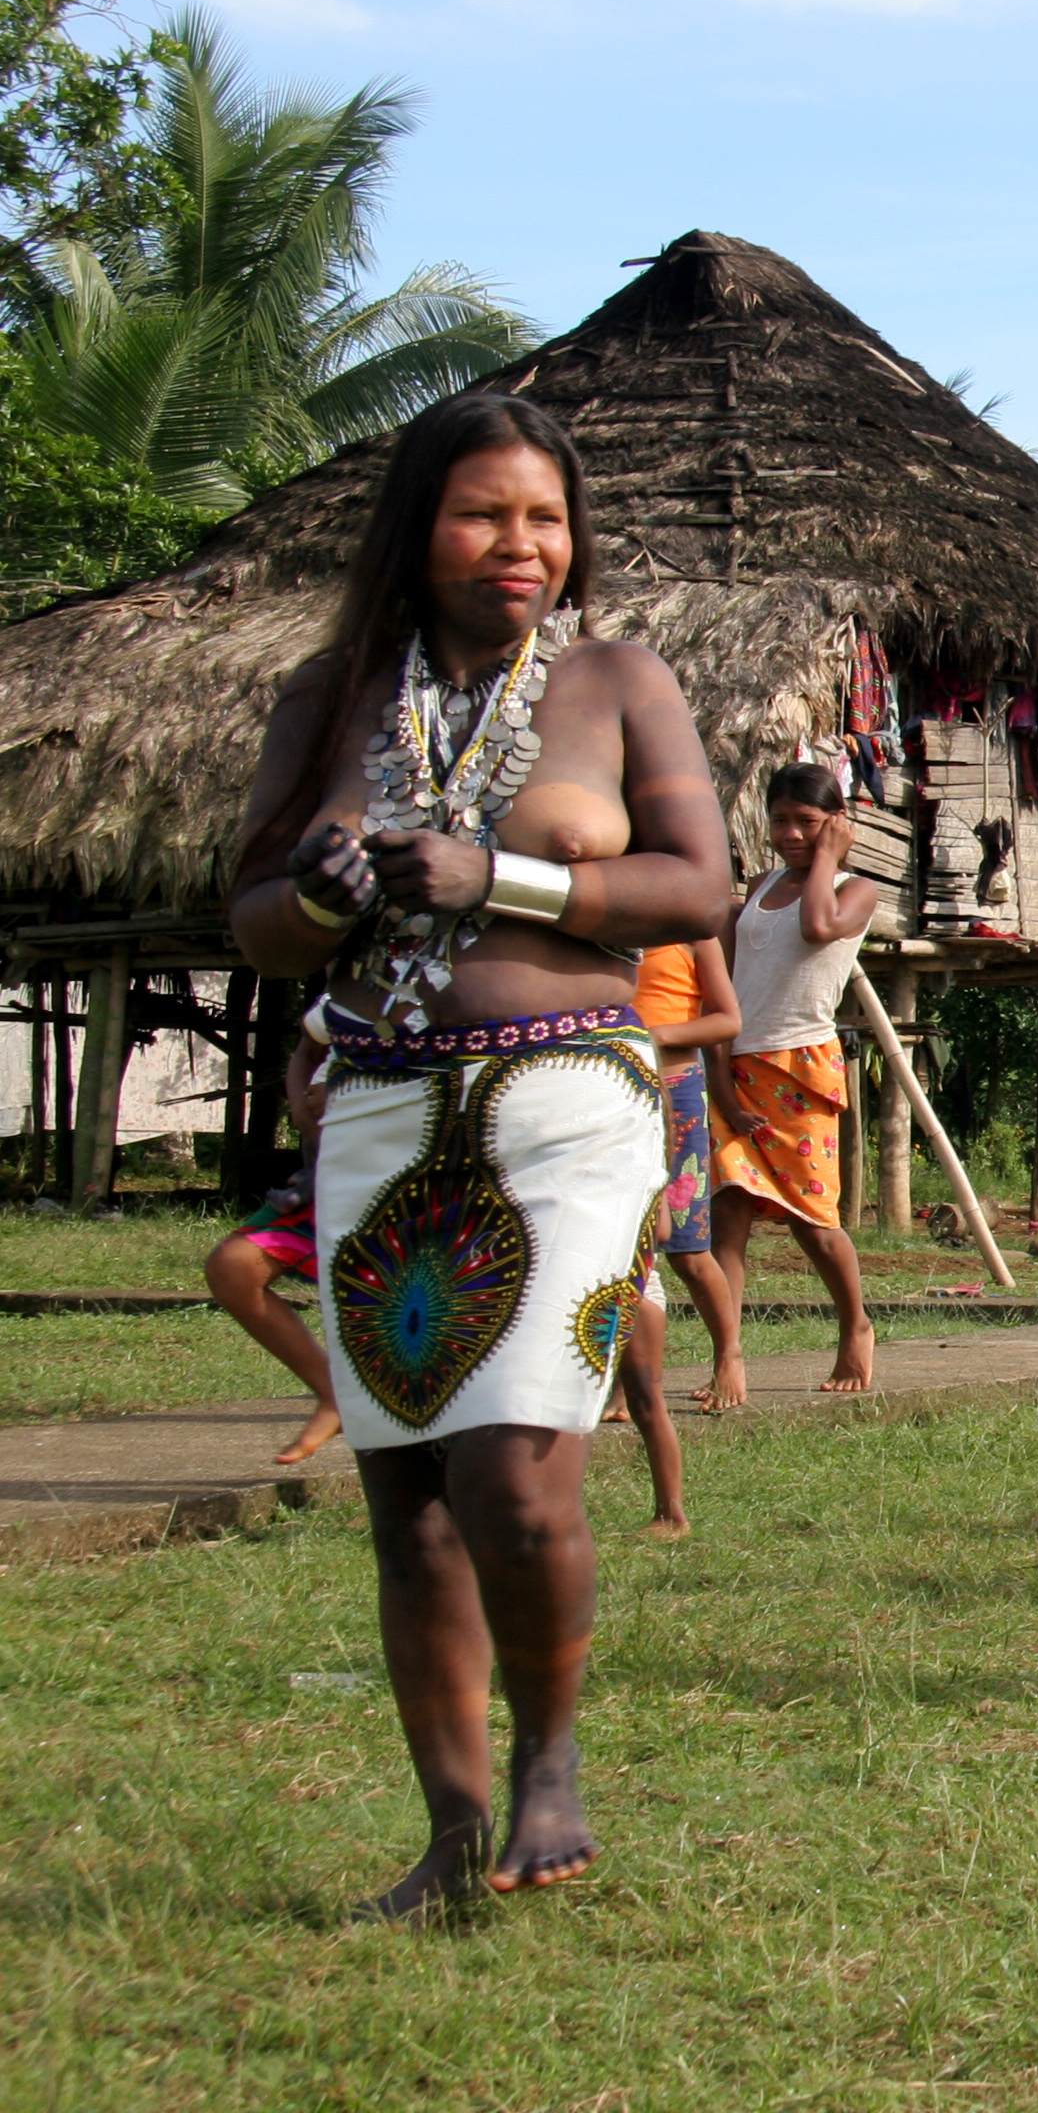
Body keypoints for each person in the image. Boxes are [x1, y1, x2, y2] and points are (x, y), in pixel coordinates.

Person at [229, 389, 736, 1918]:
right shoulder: (326, 697)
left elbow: (698, 890)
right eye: (482, 513)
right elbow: (250, 918)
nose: (520, 544)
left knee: (515, 1470)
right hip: (381, 1105)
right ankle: (452, 1833)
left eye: (544, 517)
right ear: (417, 526)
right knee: (412, 1500)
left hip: (568, 1103)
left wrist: (494, 875)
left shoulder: (614, 679)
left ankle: (550, 1764)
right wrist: (321, 900)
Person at [708, 768, 881, 1393]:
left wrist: (829, 857)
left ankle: (855, 1325)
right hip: (738, 1063)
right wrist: (719, 1072)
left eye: (807, 822)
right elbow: (725, 982)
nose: (790, 834)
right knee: (725, 1216)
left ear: (836, 822)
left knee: (813, 1218)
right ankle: (728, 1357)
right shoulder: (758, 887)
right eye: (780, 820)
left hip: (799, 1066)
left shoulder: (854, 889)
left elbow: (817, 930)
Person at [205, 1032, 340, 1468]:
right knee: (234, 1267)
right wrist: (302, 1105)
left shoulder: (459, 982)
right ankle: (335, 1393)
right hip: (331, 1175)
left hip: (430, 1183)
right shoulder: (347, 983)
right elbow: (305, 1048)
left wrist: (351, 1087)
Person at [634, 939, 747, 1410]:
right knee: (622, 1248)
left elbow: (727, 1019)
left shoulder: (693, 936)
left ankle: (729, 1354)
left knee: (687, 1248)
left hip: (677, 1090)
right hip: (612, 1085)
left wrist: (652, 1035)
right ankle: (628, 1381)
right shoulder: (599, 926)